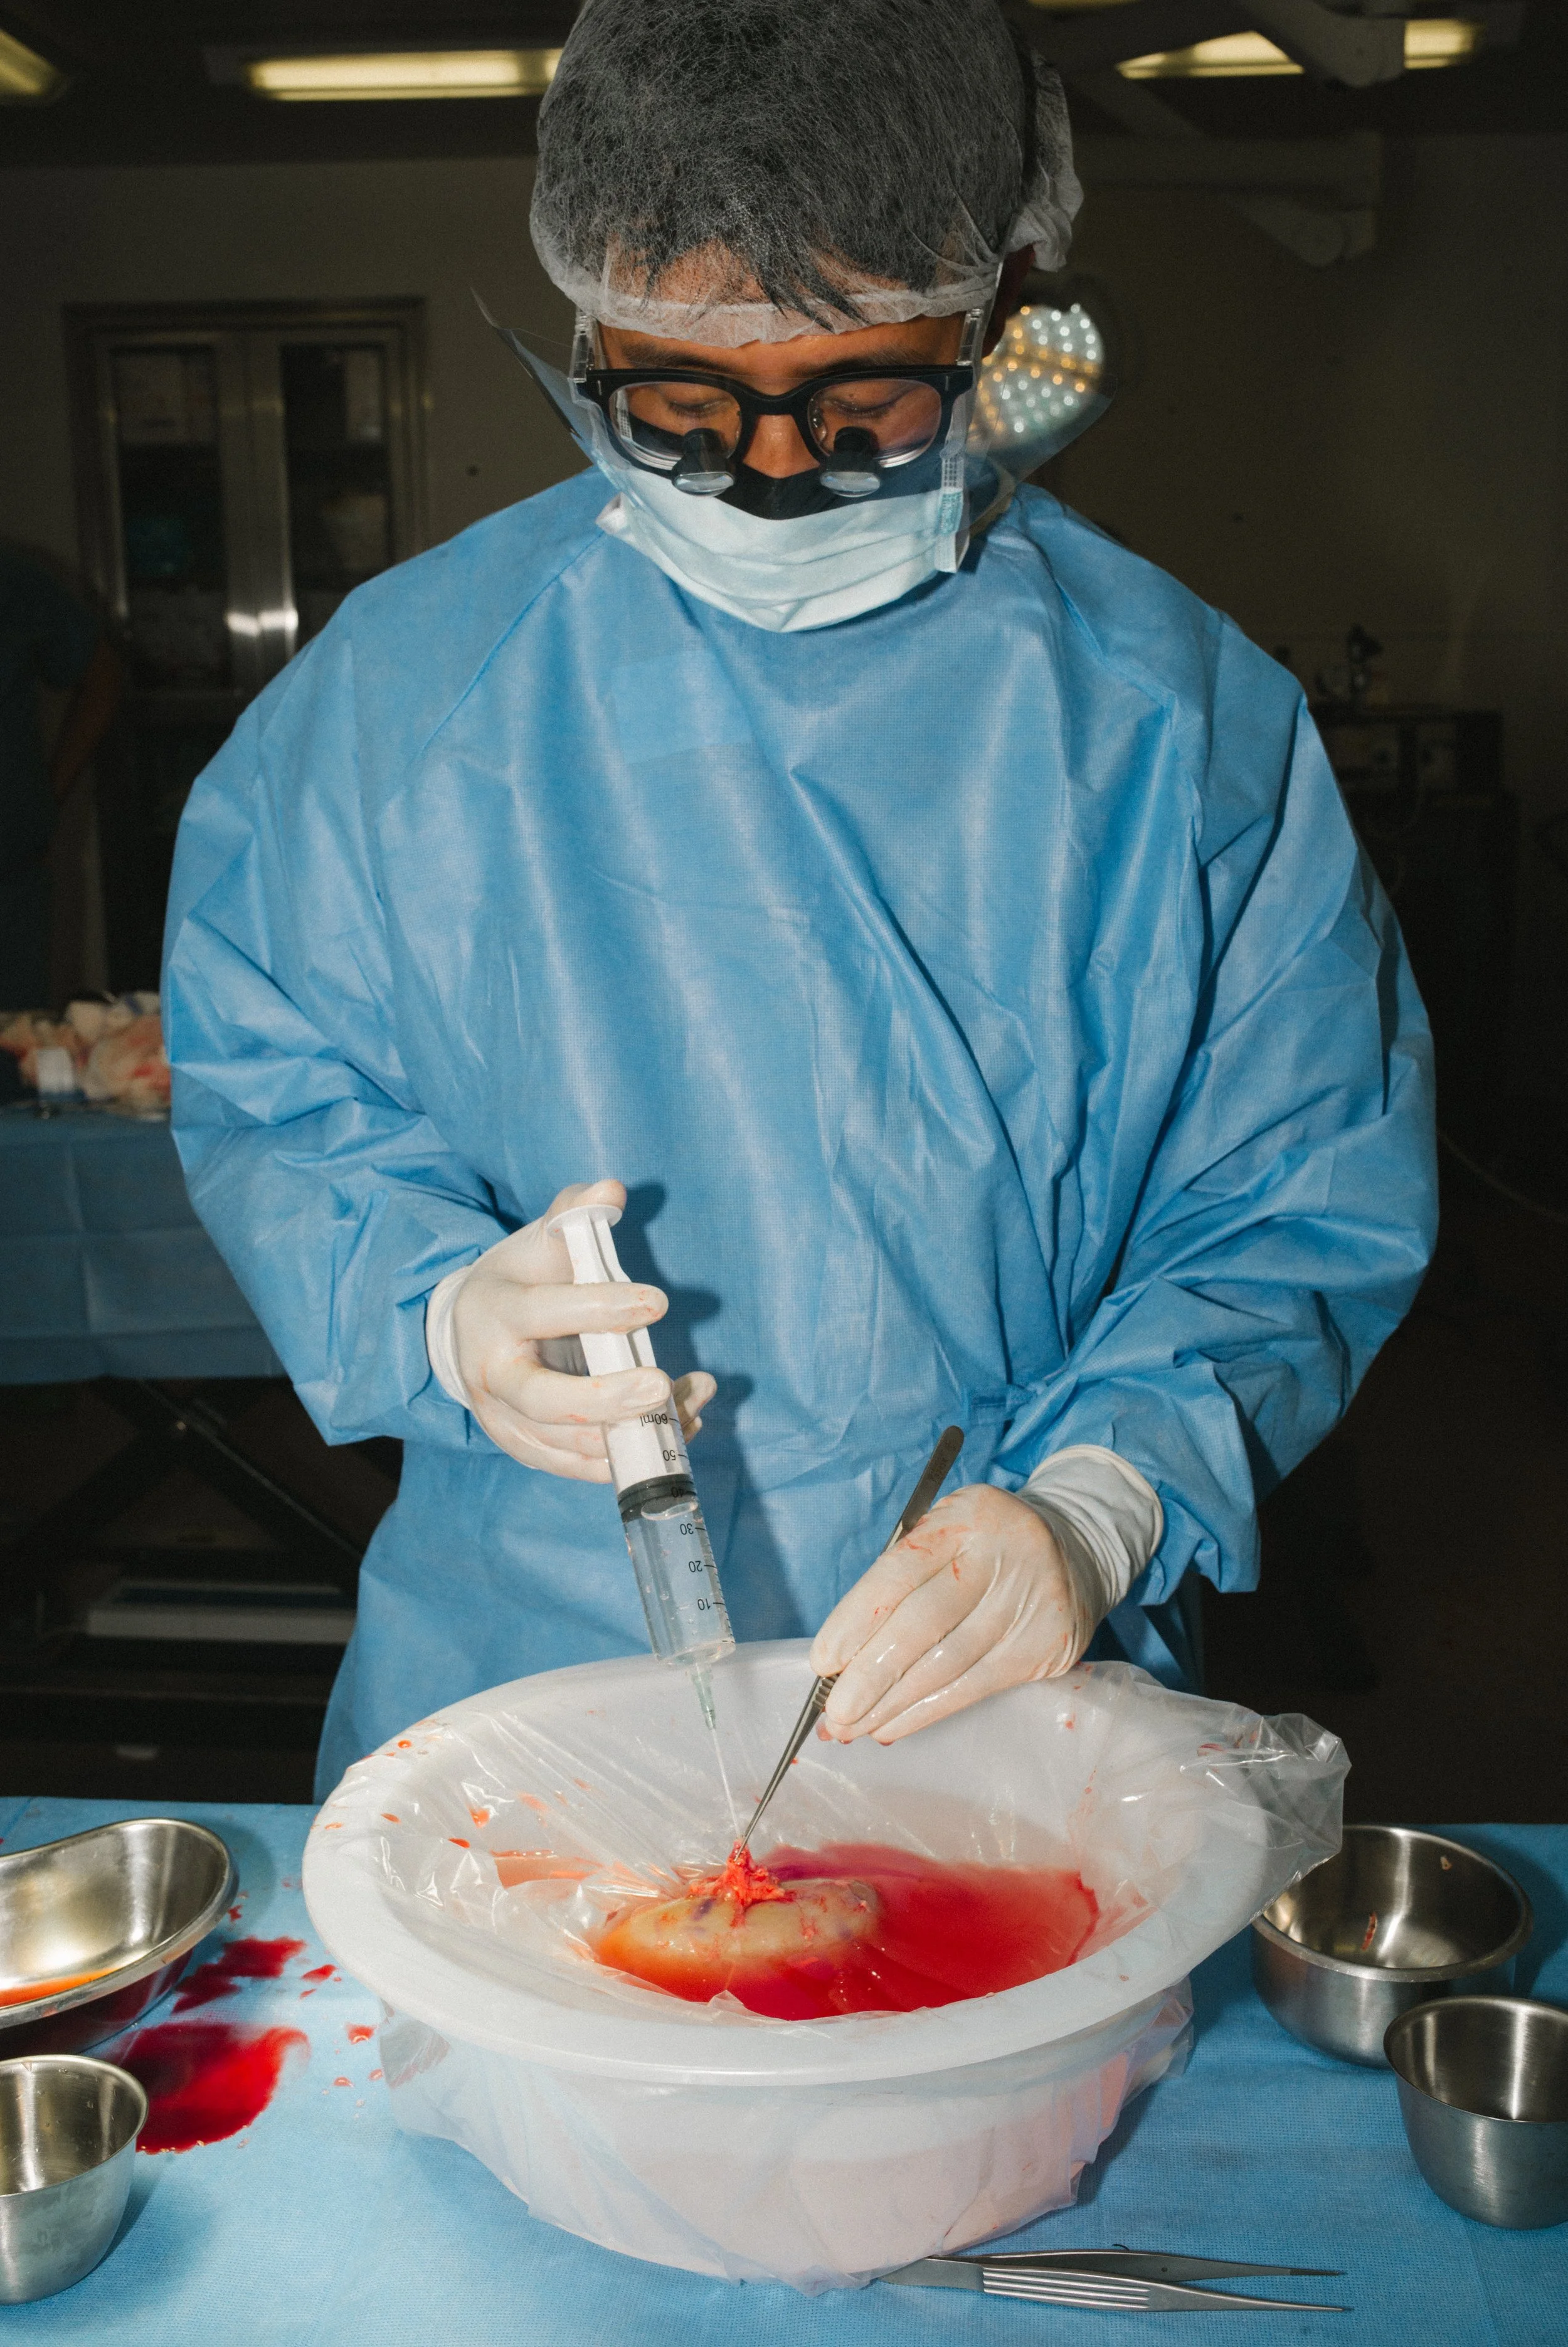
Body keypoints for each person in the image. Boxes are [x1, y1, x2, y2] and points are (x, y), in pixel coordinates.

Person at [163, 0, 1436, 1798]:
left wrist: (1096, 1498)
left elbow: (1292, 1193)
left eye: (860, 401)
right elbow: (277, 1078)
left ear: (1002, 310)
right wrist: (432, 1300)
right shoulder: (402, 701)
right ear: (588, 325)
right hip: (521, 1682)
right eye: (679, 404)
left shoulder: (1177, 727)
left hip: (1006, 1686)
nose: (768, 478)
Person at [0, 546, 123, 1009]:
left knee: (14, 1056)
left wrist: (44, 798)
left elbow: (102, 677)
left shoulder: (12, 585)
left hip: (10, 885)